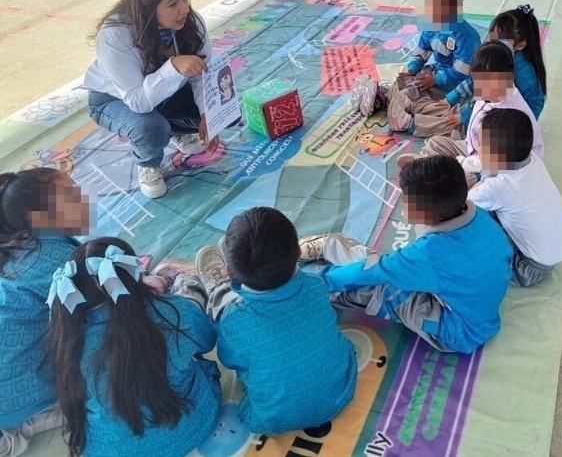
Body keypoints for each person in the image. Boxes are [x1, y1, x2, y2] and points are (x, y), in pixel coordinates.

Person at [300, 156, 513, 354]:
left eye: (406, 201)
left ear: (429, 213)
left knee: (377, 288)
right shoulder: (480, 216)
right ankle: (330, 247)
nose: (402, 206)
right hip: (475, 311)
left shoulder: (429, 253)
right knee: (385, 266)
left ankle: (315, 295)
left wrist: (320, 282)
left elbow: (373, 272)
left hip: (456, 332)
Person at [47, 237, 221, 457]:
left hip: (112, 451)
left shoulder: (65, 346)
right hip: (194, 423)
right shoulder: (169, 312)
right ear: (135, 277)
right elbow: (207, 339)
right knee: (191, 305)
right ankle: (189, 283)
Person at [194, 207, 357, 434]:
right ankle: (225, 284)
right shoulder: (317, 285)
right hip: (342, 391)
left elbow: (230, 361)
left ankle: (220, 289)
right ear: (298, 252)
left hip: (271, 419)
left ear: (230, 273)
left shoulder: (233, 320)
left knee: (226, 312)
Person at [85, 0, 219, 199]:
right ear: (146, 7)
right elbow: (137, 102)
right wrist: (174, 66)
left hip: (165, 94)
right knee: (151, 128)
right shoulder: (114, 35)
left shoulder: (191, 22)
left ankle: (177, 131)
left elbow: (203, 75)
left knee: (224, 108)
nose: (184, 9)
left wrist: (208, 112)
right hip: (113, 100)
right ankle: (147, 163)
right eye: (173, 3)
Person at [0, 168, 88, 457]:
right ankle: (24, 424)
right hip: (18, 397)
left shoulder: (21, 247)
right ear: (38, 218)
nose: (85, 200)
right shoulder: (58, 260)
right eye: (72, 197)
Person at [351, 0, 481, 137]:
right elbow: (421, 51)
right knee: (406, 80)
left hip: (455, 85)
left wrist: (435, 80)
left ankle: (398, 109)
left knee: (429, 99)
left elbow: (462, 74)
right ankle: (387, 99)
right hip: (436, 73)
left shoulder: (466, 37)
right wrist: (413, 69)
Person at [401, 41, 545, 185]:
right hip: (473, 149)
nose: (484, 87)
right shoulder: (488, 93)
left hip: (494, 168)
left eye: (491, 81)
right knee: (435, 143)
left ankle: (432, 173)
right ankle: (431, 169)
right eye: (478, 79)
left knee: (462, 180)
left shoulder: (512, 115)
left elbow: (502, 162)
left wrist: (467, 165)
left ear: (509, 77)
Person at [468, 109, 562, 286]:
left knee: (469, 222)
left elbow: (464, 202)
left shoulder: (500, 187)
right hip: (551, 255)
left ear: (495, 155)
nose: (475, 144)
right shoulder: (531, 159)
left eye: (480, 142)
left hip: (526, 267)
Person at [444, 4, 547, 123]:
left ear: (520, 45)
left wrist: (464, 117)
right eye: (493, 37)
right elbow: (477, 80)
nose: (493, 43)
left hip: (512, 123)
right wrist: (452, 97)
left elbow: (490, 99)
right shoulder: (499, 55)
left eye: (501, 40)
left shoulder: (517, 73)